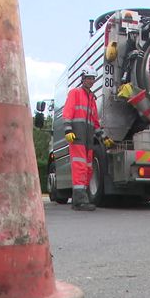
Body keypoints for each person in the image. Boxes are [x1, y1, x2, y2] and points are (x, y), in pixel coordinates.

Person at [63, 67, 100, 211]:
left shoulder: (92, 99)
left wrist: (103, 137)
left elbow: (95, 122)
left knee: (88, 168)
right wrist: (68, 130)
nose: (91, 81)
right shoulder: (75, 93)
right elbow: (68, 112)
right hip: (77, 137)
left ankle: (80, 198)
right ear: (83, 79)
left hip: (88, 139)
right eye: (88, 78)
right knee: (80, 167)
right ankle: (80, 201)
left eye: (92, 78)